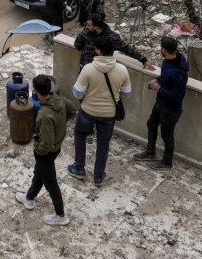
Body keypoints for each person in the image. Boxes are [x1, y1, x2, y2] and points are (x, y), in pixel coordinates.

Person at [68, 35, 133, 187]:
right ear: (113, 51)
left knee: (80, 134)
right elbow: (127, 94)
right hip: (109, 114)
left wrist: (86, 96)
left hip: (88, 111)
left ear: (98, 50)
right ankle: (98, 176)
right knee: (103, 144)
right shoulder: (122, 70)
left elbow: (77, 93)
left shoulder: (88, 69)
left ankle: (79, 168)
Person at [15, 74, 77, 226]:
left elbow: (46, 144)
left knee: (50, 182)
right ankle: (29, 198)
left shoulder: (44, 114)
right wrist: (60, 125)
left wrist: (38, 150)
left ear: (36, 91)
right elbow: (72, 111)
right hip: (56, 147)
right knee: (39, 174)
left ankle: (60, 215)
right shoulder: (59, 100)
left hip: (46, 152)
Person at [134, 37, 190, 170]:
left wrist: (159, 89)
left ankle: (167, 162)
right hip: (160, 103)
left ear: (163, 49)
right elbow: (165, 79)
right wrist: (157, 81)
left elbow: (178, 96)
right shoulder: (167, 62)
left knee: (167, 135)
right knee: (151, 124)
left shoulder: (179, 72)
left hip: (171, 109)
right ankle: (150, 152)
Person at [74, 13, 155, 73]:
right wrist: (87, 53)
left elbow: (126, 49)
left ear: (97, 28)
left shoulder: (112, 37)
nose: (86, 27)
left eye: (88, 25)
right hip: (86, 68)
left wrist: (143, 60)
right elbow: (77, 45)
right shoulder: (85, 32)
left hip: (102, 71)